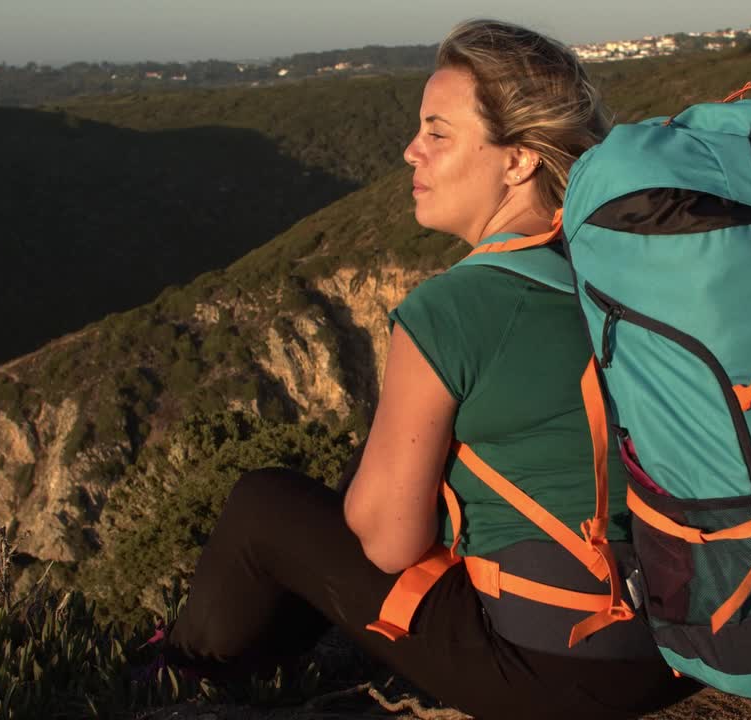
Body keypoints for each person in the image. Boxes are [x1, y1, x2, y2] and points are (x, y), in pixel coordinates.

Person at [161, 19, 692, 719]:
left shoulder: (454, 307)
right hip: (685, 639)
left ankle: (176, 675)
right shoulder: (618, 270)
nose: (411, 150)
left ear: (518, 160)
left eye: (437, 133)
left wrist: (358, 504)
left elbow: (389, 547)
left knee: (264, 505)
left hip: (557, 670)